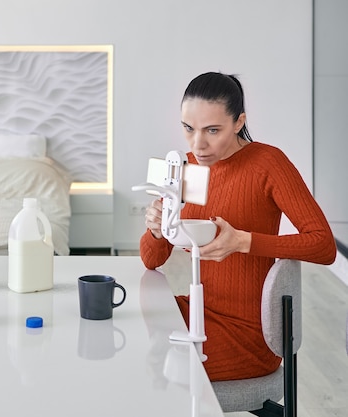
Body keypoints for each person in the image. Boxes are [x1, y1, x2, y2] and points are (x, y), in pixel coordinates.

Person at [140, 71, 336, 381]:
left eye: (213, 130)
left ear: (239, 122)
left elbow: (323, 245)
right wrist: (155, 229)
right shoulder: (186, 166)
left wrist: (244, 241)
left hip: (246, 334)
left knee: (153, 368)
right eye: (189, 129)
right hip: (198, 313)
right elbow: (152, 260)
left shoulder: (268, 164)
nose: (198, 143)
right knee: (126, 337)